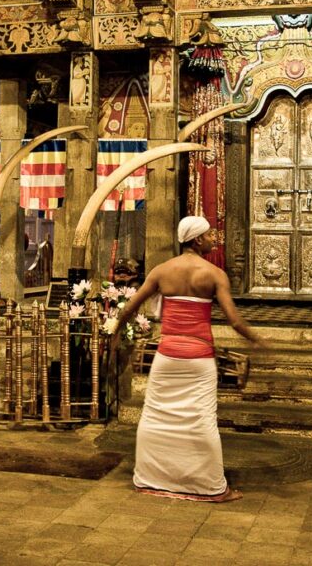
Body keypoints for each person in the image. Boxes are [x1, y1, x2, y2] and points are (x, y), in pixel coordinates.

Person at [112, 215, 267, 502]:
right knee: (201, 421)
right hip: (198, 358)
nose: (213, 239)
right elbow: (234, 321)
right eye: (209, 236)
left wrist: (113, 336)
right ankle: (211, 487)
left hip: (167, 357)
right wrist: (256, 339)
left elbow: (128, 309)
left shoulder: (162, 270)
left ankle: (151, 478)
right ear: (197, 239)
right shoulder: (214, 274)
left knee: (156, 417)